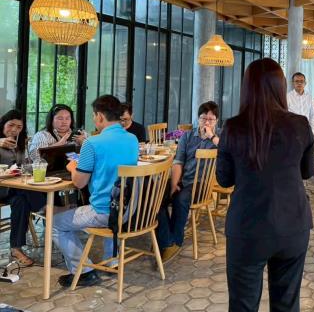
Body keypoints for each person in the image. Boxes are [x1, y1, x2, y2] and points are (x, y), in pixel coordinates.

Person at [217, 58, 314, 312]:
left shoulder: (232, 127)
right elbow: (307, 172)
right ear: (281, 87)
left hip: (247, 227)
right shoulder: (300, 125)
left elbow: (224, 179)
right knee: (287, 305)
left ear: (246, 88)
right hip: (293, 224)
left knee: (242, 306)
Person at [52, 95, 138, 288]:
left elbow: (79, 183)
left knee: (54, 223)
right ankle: (112, 261)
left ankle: (83, 271)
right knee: (112, 198)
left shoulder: (92, 143)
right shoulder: (132, 139)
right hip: (129, 209)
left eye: (93, 115)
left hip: (105, 212)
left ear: (100, 116)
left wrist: (72, 167)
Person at [157, 101, 220, 263]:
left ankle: (176, 241)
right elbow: (178, 162)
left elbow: (228, 150)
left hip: (202, 184)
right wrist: (174, 184)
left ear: (216, 121)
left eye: (211, 119)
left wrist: (211, 136)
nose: (206, 122)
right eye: (203, 118)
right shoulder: (187, 136)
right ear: (198, 119)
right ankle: (166, 239)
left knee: (180, 199)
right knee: (156, 197)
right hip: (184, 179)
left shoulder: (219, 137)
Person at [0, 110, 45, 267]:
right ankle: (45, 208)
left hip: (13, 188)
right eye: (11, 125)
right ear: (3, 124)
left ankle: (16, 248)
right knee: (26, 192)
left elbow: (20, 166)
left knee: (20, 201)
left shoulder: (19, 143)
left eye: (19, 127)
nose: (14, 129)